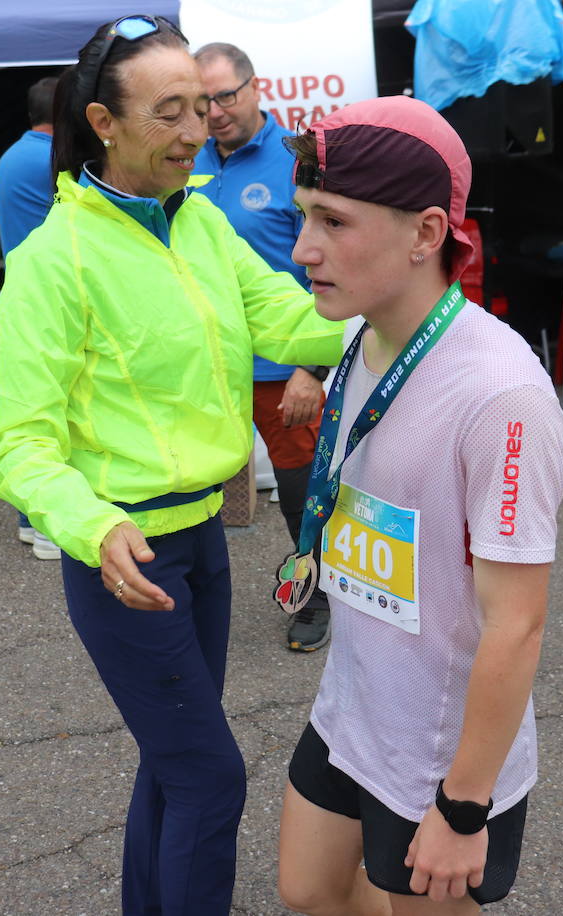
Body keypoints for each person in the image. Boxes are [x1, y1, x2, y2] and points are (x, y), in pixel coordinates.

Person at [0, 15, 344, 916]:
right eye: (171, 112)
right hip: (129, 559)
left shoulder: (204, 226)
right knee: (211, 777)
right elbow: (18, 443)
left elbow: (289, 323)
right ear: (103, 123)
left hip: (206, 545)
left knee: (176, 763)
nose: (198, 131)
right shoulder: (52, 260)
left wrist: (401, 297)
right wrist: (93, 523)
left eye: (208, 106)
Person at [274, 96, 563, 915]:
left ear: (427, 234)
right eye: (304, 217)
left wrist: (463, 807)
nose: (304, 249)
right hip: (353, 705)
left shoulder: (502, 394)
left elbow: (518, 622)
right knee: (307, 891)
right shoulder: (359, 334)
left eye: (333, 221)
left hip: (441, 752)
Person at [192, 42, 333, 653]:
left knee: (302, 494)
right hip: (204, 365)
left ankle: (317, 594)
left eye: (225, 95)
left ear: (255, 89)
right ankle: (188, 599)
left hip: (283, 368)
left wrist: (312, 365)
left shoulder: (294, 163)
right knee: (192, 489)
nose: (215, 111)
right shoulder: (185, 161)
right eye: (202, 102)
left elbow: (329, 267)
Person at [0, 74, 64, 560]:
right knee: (51, 416)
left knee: (29, 410)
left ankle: (26, 519)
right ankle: (44, 526)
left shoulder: (15, 154)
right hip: (46, 298)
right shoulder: (50, 160)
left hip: (23, 292)